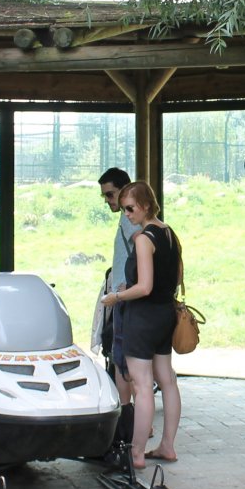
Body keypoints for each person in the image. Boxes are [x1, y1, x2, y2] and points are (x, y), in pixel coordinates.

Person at [100, 181, 183, 469]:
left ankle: (136, 453)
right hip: (165, 314)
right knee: (168, 380)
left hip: (143, 316)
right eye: (124, 209)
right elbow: (178, 276)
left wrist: (116, 296)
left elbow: (144, 287)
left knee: (142, 384)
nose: (126, 214)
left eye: (130, 208)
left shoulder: (144, 238)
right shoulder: (169, 233)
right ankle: (167, 446)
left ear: (145, 205)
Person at [96, 167, 142, 410]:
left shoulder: (129, 221)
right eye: (104, 196)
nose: (107, 200)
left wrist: (128, 286)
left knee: (123, 362)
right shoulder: (131, 220)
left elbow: (142, 249)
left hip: (126, 296)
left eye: (110, 194)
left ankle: (128, 414)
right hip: (127, 294)